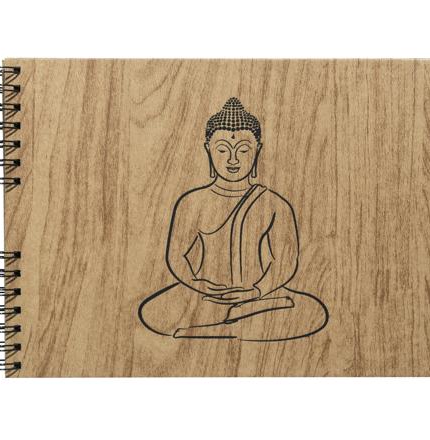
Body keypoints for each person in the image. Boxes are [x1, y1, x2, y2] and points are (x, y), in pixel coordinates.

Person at [139, 98, 328, 341]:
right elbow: (177, 256)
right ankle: (235, 328)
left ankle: (216, 329)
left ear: (258, 150)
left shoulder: (274, 204)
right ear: (208, 149)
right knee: (153, 312)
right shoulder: (191, 202)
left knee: (314, 312)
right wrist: (198, 284)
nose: (233, 160)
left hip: (258, 297)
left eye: (243, 150)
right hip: (208, 297)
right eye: (222, 150)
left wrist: (256, 290)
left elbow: (285, 261)